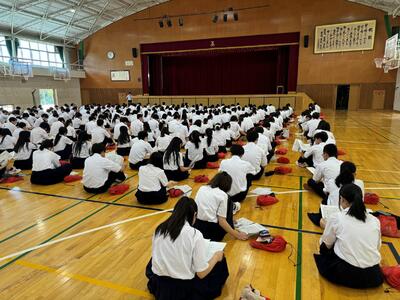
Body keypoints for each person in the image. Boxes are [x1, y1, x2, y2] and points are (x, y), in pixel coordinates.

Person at [146, 197, 229, 300]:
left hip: (161, 285)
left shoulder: (159, 229)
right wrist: (216, 256)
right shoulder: (194, 234)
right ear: (194, 215)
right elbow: (201, 273)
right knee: (219, 261)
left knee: (152, 261)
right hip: (183, 290)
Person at [314, 183, 383, 289]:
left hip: (347, 274)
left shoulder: (337, 217)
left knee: (327, 247)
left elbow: (326, 244)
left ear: (342, 199)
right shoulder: (375, 220)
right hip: (374, 276)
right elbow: (377, 247)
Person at [308, 161, 365, 228]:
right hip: (353, 214)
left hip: (335, 212)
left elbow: (326, 191)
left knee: (326, 198)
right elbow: (362, 200)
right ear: (354, 174)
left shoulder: (332, 181)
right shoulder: (360, 183)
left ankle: (327, 224)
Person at [194, 172, 248, 242]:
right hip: (211, 232)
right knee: (229, 202)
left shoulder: (202, 188)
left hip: (197, 227)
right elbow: (221, 222)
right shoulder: (223, 195)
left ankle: (230, 219)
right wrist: (237, 234)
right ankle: (231, 219)